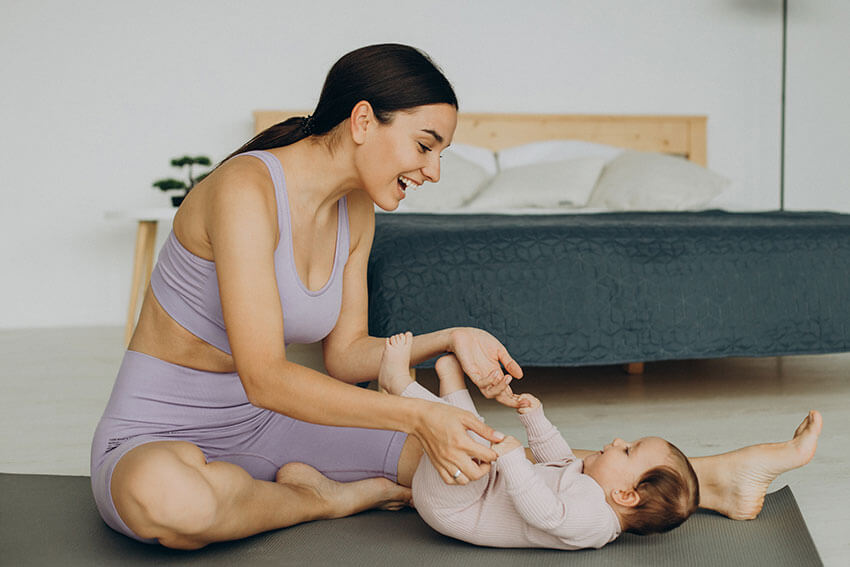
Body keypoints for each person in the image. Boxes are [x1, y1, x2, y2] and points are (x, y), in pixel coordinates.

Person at [91, 43, 822, 551]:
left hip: (278, 427)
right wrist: (417, 413)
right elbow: (266, 373)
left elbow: (344, 357)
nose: (434, 170)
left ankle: (717, 477)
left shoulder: (355, 212)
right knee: (170, 501)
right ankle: (327, 497)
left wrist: (449, 336)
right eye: (426, 144)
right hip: (164, 424)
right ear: (364, 118)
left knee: (470, 464)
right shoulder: (246, 189)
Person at [376, 332, 700, 549]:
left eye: (628, 450)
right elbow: (557, 461)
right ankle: (450, 383)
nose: (617, 440)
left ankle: (400, 386)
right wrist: (535, 419)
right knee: (473, 431)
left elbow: (546, 514)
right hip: (471, 489)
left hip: (460, 505)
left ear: (625, 495)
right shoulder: (589, 483)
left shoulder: (596, 521)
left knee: (472, 440)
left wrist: (514, 460)